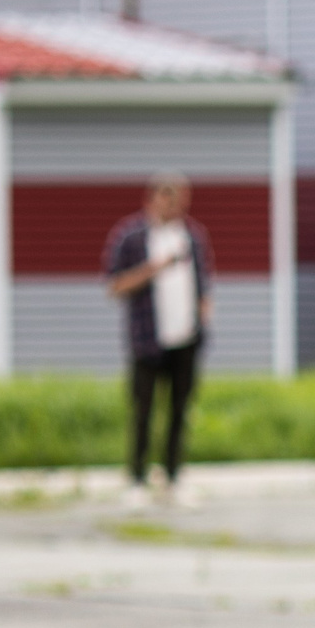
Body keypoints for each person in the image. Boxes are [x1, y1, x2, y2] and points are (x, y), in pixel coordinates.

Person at [102, 172, 212, 508]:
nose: (175, 206)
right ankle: (136, 479)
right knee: (143, 410)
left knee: (180, 410)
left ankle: (173, 476)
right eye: (168, 199)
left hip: (186, 337)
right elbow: (114, 286)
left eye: (180, 200)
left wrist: (204, 316)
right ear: (152, 199)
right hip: (147, 339)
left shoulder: (192, 237)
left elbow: (203, 284)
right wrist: (153, 269)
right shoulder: (131, 236)